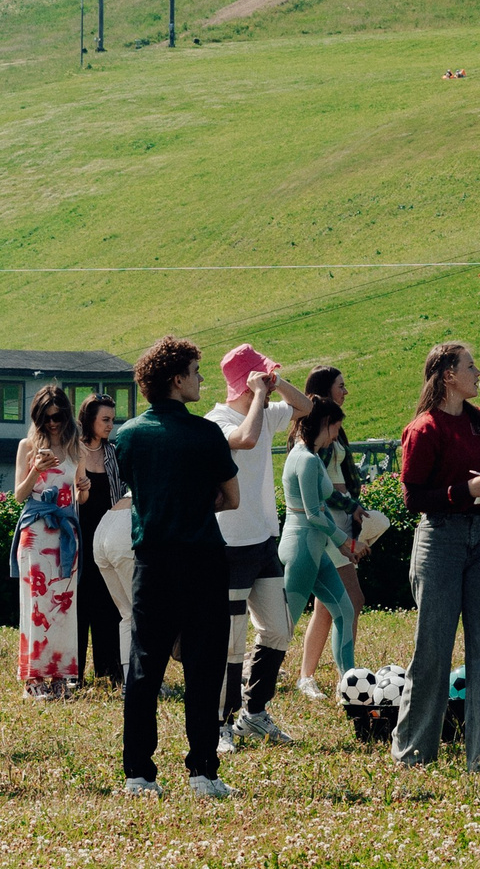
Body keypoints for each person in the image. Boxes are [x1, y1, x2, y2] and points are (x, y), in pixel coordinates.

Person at [114, 335, 241, 799]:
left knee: (145, 665)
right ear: (177, 379)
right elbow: (232, 497)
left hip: (152, 561)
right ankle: (203, 771)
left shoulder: (125, 436)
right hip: (203, 558)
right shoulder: (207, 433)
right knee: (204, 667)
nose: (201, 379)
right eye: (195, 370)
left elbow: (119, 496)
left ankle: (139, 773)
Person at [392, 340, 480, 774]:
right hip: (441, 540)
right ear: (448, 375)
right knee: (432, 650)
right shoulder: (424, 429)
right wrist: (463, 491)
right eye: (470, 365)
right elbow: (412, 497)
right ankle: (413, 755)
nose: (476, 370)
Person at [207, 344, 312, 746]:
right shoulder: (216, 421)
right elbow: (246, 440)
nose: (268, 383)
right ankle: (219, 723)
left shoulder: (266, 411)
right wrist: (258, 396)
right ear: (243, 382)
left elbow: (305, 408)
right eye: (260, 377)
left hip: (263, 540)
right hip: (229, 543)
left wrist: (278, 382)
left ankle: (254, 712)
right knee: (230, 642)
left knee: (279, 630)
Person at [292, 365, 382, 701]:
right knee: (346, 602)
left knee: (331, 605)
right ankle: (340, 676)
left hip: (340, 518)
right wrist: (346, 514)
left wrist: (354, 509)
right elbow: (324, 487)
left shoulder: (330, 429)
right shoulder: (315, 437)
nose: (346, 390)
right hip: (327, 524)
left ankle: (314, 675)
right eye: (341, 385)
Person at [12, 384, 87, 696]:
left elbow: (80, 497)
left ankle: (59, 674)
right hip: (36, 532)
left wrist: (84, 487)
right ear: (38, 418)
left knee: (64, 605)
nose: (53, 423)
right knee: (36, 604)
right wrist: (34, 471)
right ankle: (34, 679)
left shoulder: (76, 447)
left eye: (58, 416)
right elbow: (19, 495)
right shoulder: (27, 445)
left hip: (66, 533)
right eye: (47, 417)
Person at [279, 398, 358, 683]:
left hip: (313, 549)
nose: (337, 435)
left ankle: (348, 682)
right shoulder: (307, 459)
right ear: (325, 423)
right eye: (336, 428)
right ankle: (246, 676)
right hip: (302, 549)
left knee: (345, 612)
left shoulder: (310, 456)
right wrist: (347, 544)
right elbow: (314, 514)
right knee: (281, 628)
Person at [74, 394, 125, 686]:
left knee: (109, 603)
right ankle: (75, 672)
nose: (110, 425)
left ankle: (109, 670)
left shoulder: (114, 453)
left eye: (112, 420)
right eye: (105, 419)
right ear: (88, 419)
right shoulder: (73, 451)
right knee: (79, 605)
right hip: (79, 536)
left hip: (108, 537)